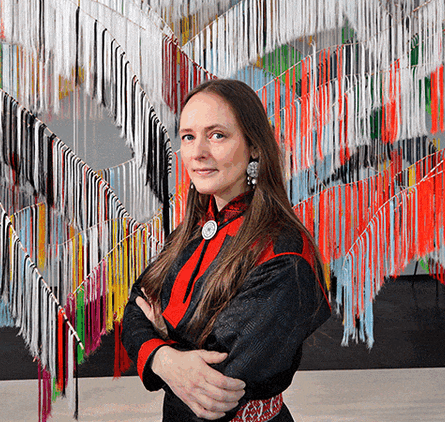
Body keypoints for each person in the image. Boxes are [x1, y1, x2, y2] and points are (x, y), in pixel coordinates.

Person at [121, 79, 331, 422]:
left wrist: (159, 340)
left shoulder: (284, 254)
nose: (198, 152)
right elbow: (135, 308)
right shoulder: (190, 231)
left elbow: (218, 382)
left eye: (217, 135)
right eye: (188, 137)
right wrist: (166, 359)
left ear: (254, 147)